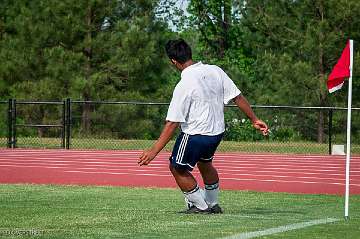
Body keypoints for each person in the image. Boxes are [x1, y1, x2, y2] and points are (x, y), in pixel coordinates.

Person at [138, 39, 268, 214]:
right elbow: (237, 97)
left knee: (177, 168)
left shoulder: (183, 84)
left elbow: (172, 123)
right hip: (216, 133)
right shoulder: (215, 70)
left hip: (195, 134)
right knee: (205, 164)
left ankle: (201, 206)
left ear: (174, 62)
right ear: (190, 53)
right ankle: (213, 204)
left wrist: (153, 151)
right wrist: (254, 119)